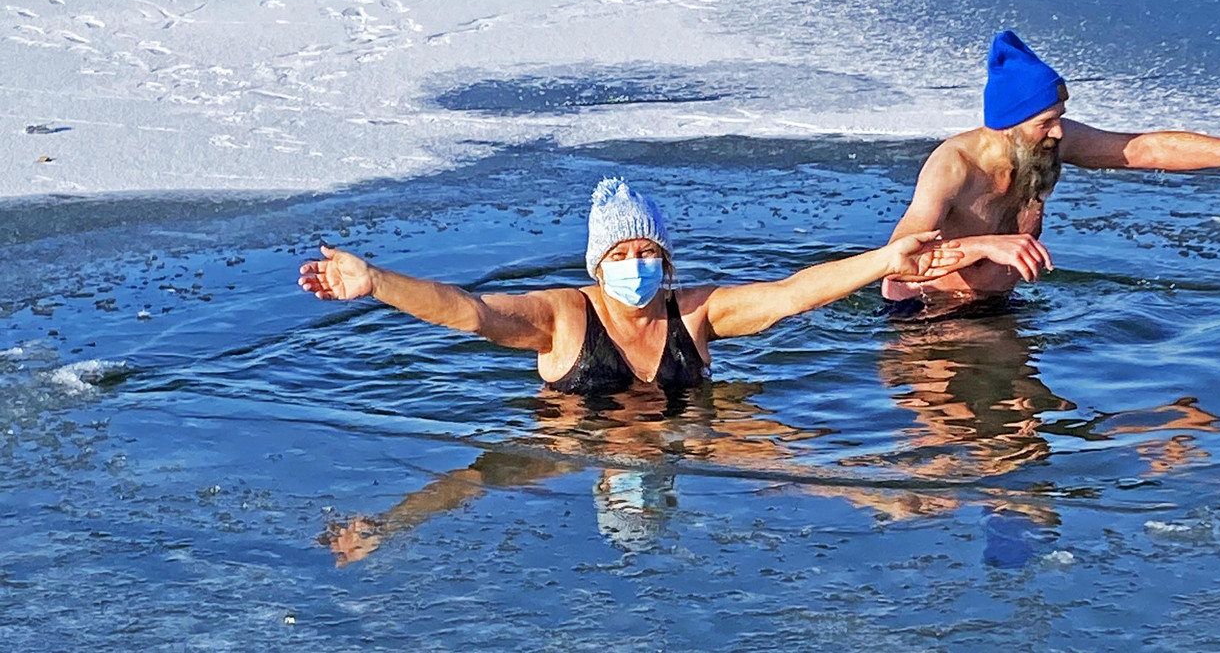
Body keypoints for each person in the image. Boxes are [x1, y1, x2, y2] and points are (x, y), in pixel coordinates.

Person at [299, 176, 964, 394]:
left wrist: (885, 260)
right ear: (598, 262)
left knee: (771, 453)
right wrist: (376, 282)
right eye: (623, 251)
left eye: (649, 250)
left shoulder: (696, 313)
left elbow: (792, 293)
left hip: (684, 439)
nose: (638, 262)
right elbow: (472, 312)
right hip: (575, 443)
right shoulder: (561, 318)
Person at [884, 30, 1220, 304]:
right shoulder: (954, 166)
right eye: (1045, 123)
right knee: (954, 438)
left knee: (1031, 432)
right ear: (1007, 126)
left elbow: (1145, 149)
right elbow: (898, 255)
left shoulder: (1045, 145)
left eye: (1059, 117)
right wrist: (984, 246)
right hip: (924, 314)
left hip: (994, 309)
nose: (1058, 133)